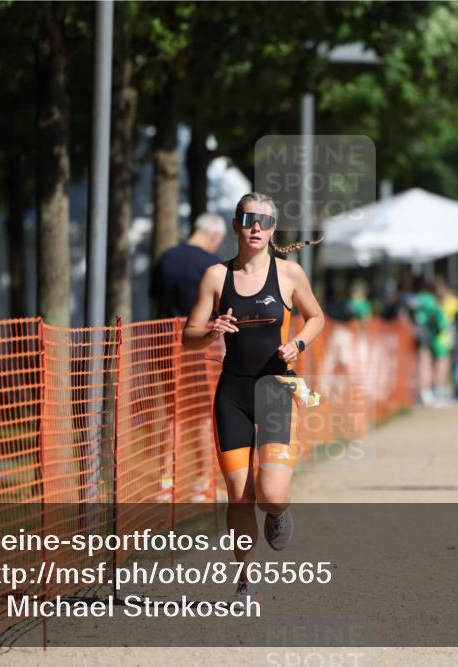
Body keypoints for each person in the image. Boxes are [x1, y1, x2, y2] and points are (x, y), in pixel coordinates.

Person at [182, 193, 324, 604]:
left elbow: (316, 317)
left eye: (264, 220)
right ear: (236, 225)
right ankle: (247, 578)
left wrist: (298, 343)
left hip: (277, 389)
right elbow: (187, 336)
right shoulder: (215, 277)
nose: (256, 226)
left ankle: (278, 514)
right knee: (239, 493)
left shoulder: (290, 274)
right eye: (248, 219)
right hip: (233, 394)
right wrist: (211, 331)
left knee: (271, 494)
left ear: (273, 228)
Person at [150, 212, 226, 318]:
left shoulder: (166, 257)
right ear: (215, 237)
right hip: (200, 332)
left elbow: (154, 295)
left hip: (165, 331)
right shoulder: (214, 265)